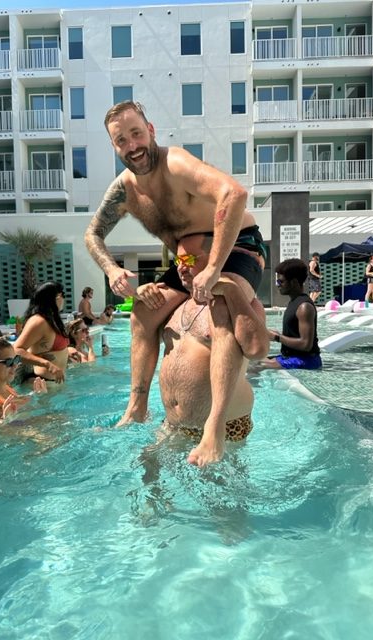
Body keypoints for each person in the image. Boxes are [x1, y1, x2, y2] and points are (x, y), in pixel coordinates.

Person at [84, 100, 267, 425]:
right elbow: (93, 234)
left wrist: (213, 271)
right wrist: (112, 270)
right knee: (142, 312)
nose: (132, 145)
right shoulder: (124, 189)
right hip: (189, 257)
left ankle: (216, 425)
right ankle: (137, 406)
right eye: (121, 140)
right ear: (114, 147)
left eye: (136, 133)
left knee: (220, 304)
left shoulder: (176, 164)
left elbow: (234, 195)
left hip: (236, 245)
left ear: (150, 131)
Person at [138, 233, 269, 467]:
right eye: (178, 262)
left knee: (221, 497)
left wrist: (230, 291)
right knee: (148, 463)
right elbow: (146, 337)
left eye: (188, 260)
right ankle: (151, 506)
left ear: (214, 260)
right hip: (174, 423)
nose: (181, 268)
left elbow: (257, 350)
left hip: (225, 425)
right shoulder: (176, 305)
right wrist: (144, 296)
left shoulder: (239, 302)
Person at [0, 332, 47, 424]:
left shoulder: (6, 388)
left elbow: (21, 408)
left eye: (16, 359)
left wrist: (38, 395)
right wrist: (4, 420)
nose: (15, 365)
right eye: (9, 362)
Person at [262, 259, 322, 370]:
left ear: (294, 282)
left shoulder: (304, 307)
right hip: (291, 357)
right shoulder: (294, 302)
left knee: (253, 367)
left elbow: (306, 345)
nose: (277, 285)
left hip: (306, 361)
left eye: (280, 281)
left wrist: (277, 337)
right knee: (249, 361)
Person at [14, 281, 69, 384]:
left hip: (55, 382)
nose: (63, 299)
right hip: (43, 382)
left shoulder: (52, 319)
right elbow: (16, 350)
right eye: (63, 295)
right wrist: (47, 364)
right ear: (57, 297)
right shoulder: (39, 321)